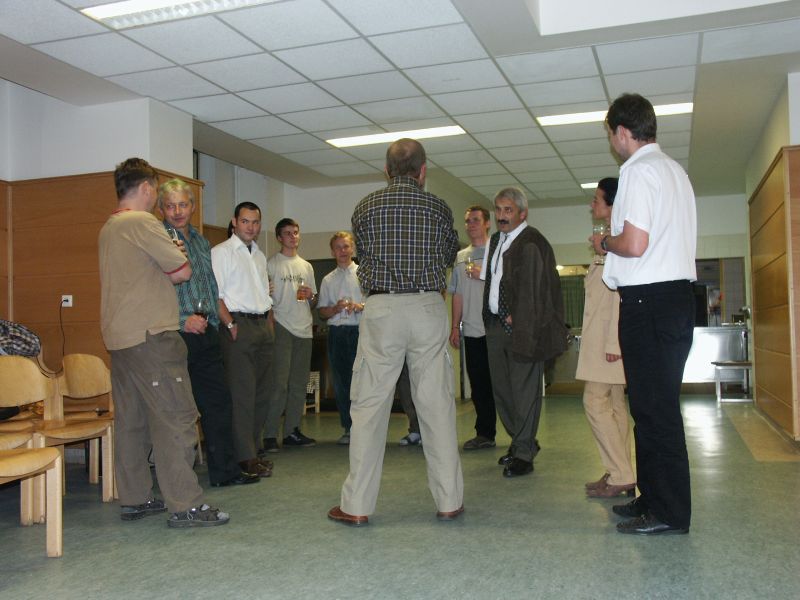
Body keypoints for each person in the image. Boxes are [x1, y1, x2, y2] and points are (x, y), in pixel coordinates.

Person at [328, 138, 463, 526]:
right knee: (435, 403)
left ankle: (356, 506)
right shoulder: (438, 207)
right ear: (423, 171)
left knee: (369, 406)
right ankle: (449, 500)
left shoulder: (365, 207)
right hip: (427, 306)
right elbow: (447, 255)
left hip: (382, 308)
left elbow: (365, 254)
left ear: (386, 171)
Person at [99, 157, 228, 527]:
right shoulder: (142, 222)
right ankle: (186, 505)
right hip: (152, 336)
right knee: (176, 417)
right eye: (156, 191)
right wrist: (175, 259)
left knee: (133, 421)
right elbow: (182, 271)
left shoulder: (109, 227)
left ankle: (136, 498)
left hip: (121, 339)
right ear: (146, 188)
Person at [591, 93, 696, 536]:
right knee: (652, 410)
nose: (613, 143)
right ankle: (652, 499)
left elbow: (634, 244)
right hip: (672, 300)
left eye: (611, 135)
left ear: (621, 132)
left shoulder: (636, 170)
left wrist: (604, 242)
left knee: (656, 413)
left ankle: (668, 512)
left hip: (648, 302)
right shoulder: (674, 171)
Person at [158, 179, 262, 487]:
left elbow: (211, 288)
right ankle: (177, 482)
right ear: (161, 209)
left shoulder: (202, 242)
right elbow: (152, 290)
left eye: (183, 204)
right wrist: (183, 319)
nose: (177, 211)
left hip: (208, 332)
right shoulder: (157, 240)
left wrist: (221, 322)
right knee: (179, 411)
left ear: (192, 206)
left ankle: (225, 473)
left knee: (219, 403)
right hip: (177, 333)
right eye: (170, 206)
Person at [482, 187, 567, 478]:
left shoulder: (533, 242)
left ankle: (523, 453)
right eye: (498, 210)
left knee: (524, 392)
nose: (501, 216)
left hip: (524, 329)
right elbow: (493, 282)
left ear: (522, 213)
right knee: (503, 391)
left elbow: (538, 291)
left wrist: (520, 318)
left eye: (508, 210)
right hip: (495, 326)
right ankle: (522, 440)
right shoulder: (496, 241)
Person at [575, 178, 635, 498]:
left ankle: (621, 473)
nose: (592, 205)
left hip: (608, 343)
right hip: (605, 340)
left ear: (612, 205)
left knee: (594, 402)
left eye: (597, 200)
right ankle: (619, 470)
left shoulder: (617, 242)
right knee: (614, 405)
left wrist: (614, 343)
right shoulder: (609, 239)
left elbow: (618, 296)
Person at [211, 201, 275, 477]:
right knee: (242, 395)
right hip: (238, 325)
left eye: (255, 222)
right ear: (234, 222)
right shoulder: (221, 252)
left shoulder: (259, 255)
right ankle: (244, 457)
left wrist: (270, 324)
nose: (251, 227)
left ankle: (255, 450)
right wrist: (230, 323)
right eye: (245, 221)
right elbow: (216, 294)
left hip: (262, 325)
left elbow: (264, 294)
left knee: (263, 393)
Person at [264, 218, 317, 450]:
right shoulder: (271, 264)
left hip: (304, 329)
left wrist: (311, 296)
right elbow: (265, 300)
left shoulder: (306, 266)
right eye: (287, 233)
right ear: (279, 237)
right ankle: (269, 434)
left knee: (299, 384)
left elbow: (313, 302)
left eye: (295, 232)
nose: (293, 237)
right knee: (279, 384)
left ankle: (292, 431)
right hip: (282, 326)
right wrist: (270, 324)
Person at [449, 205, 497, 451]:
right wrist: (454, 326)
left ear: (487, 223)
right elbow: (457, 294)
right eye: (468, 221)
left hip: (496, 330)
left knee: (502, 384)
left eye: (476, 220)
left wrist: (483, 275)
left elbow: (508, 286)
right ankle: (485, 433)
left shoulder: (497, 252)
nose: (471, 225)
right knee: (478, 385)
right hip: (471, 330)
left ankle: (519, 435)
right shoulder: (460, 257)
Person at [317, 231, 364, 445]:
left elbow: (375, 303)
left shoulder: (364, 274)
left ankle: (365, 428)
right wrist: (335, 309)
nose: (342, 251)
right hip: (337, 334)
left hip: (360, 331)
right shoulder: (328, 280)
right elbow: (322, 312)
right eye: (338, 247)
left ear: (352, 248)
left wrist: (359, 306)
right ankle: (348, 428)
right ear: (332, 252)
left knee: (362, 382)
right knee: (341, 383)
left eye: (346, 246)